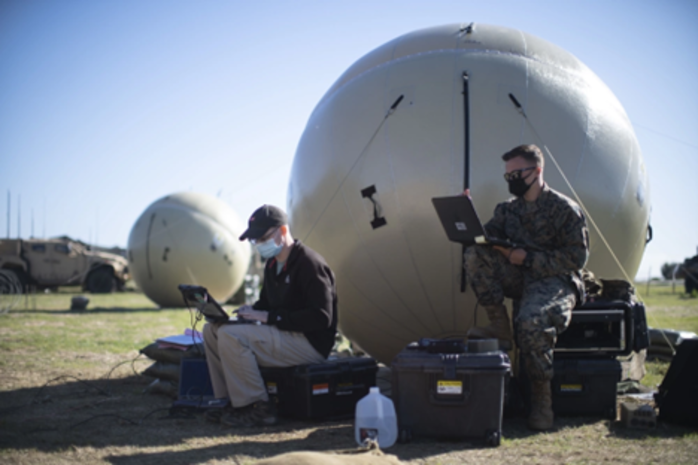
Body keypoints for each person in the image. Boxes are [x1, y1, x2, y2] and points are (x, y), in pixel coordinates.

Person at [464, 144, 589, 431]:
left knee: (532, 321)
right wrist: (467, 216)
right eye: (508, 176)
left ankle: (541, 401)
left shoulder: (564, 209)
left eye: (517, 174)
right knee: (474, 255)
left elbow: (576, 257)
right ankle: (499, 325)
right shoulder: (508, 210)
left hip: (555, 280)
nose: (512, 181)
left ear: (537, 171)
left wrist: (530, 258)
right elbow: (487, 239)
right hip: (521, 277)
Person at [203, 204, 338, 427]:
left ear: (283, 231)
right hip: (284, 333)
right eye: (254, 241)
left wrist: (271, 318)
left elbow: (322, 317)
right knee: (212, 331)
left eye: (261, 238)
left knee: (231, 336)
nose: (258, 245)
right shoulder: (272, 264)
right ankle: (227, 402)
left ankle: (257, 408)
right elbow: (266, 305)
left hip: (309, 344)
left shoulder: (309, 264)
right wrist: (250, 312)